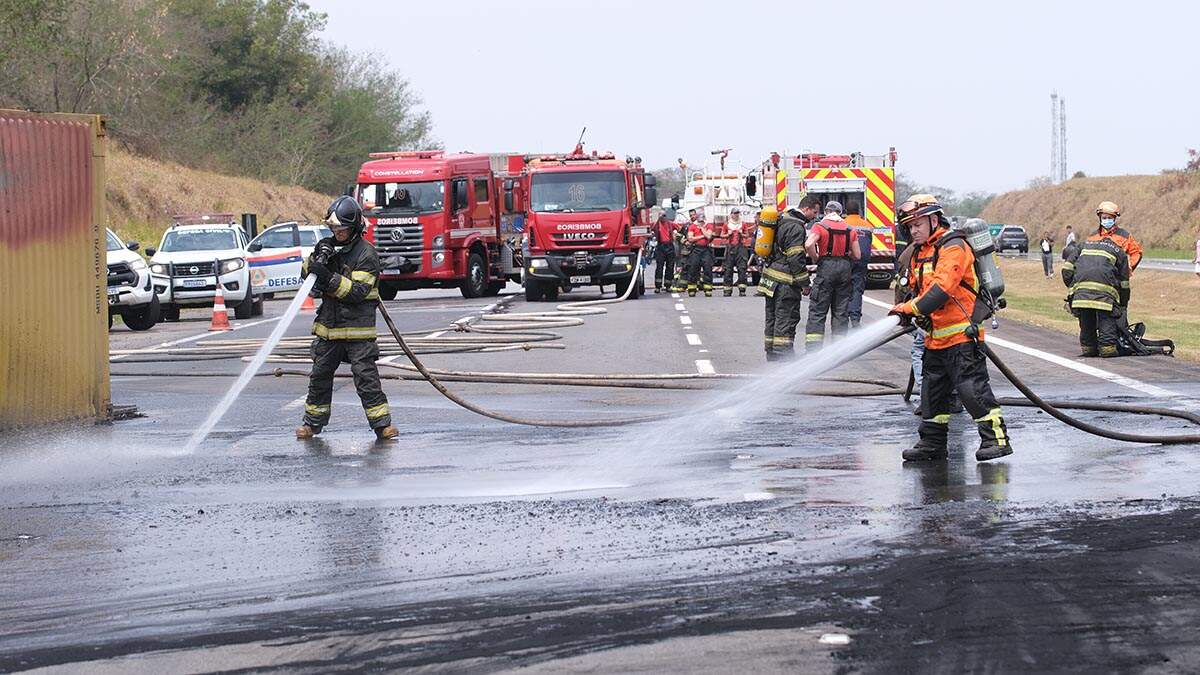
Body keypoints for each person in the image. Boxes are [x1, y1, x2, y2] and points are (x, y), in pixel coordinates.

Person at [889, 194, 1012, 462]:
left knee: (971, 389)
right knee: (932, 395)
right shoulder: (920, 252)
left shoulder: (953, 247)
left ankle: (996, 439)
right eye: (910, 226)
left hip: (960, 336)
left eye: (918, 224)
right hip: (934, 337)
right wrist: (908, 309)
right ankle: (932, 444)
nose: (914, 230)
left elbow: (943, 288)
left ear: (934, 220)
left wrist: (911, 309)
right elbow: (917, 288)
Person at [296, 196, 398, 441]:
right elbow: (307, 278)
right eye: (333, 229)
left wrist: (328, 276)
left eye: (341, 229)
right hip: (328, 329)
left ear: (354, 228)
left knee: (366, 378)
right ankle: (312, 424)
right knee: (319, 376)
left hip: (357, 331)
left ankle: (382, 426)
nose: (336, 233)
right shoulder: (329, 247)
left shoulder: (367, 254)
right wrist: (316, 259)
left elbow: (356, 292)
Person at [759, 195, 820, 360]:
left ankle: (771, 351)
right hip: (785, 282)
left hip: (770, 279)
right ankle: (783, 354)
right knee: (786, 316)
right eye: (814, 212)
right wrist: (804, 283)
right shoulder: (796, 227)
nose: (815, 216)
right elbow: (795, 258)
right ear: (806, 208)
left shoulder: (782, 219)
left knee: (772, 316)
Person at [1061, 228, 1130, 357]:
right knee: (1106, 320)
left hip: (1081, 296)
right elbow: (1124, 283)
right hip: (1105, 298)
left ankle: (1088, 348)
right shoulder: (1119, 252)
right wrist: (1123, 304)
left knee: (1086, 319)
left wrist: (1073, 288)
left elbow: (1066, 269)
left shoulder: (1083, 246)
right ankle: (1107, 348)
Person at [803, 201, 860, 349]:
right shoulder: (850, 229)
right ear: (841, 213)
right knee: (840, 312)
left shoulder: (820, 226)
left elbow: (809, 244)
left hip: (826, 268)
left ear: (826, 211)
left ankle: (814, 350)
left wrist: (816, 258)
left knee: (818, 310)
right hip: (845, 269)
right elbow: (858, 255)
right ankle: (838, 350)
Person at [1088, 201, 1142, 275]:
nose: (1107, 220)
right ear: (1100, 218)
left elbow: (1136, 252)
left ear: (1114, 218)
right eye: (1104, 218)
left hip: (1116, 278)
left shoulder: (1124, 236)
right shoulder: (1092, 237)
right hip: (1096, 276)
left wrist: (1128, 267)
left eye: (1109, 218)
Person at [843, 200, 872, 327]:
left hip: (847, 260)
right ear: (859, 211)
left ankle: (843, 316)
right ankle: (855, 319)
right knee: (857, 289)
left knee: (843, 289)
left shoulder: (843, 224)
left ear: (846, 211)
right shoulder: (867, 226)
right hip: (862, 261)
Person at [722, 208, 753, 296]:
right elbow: (722, 235)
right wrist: (728, 234)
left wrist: (741, 234)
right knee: (728, 269)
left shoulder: (742, 224)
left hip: (741, 248)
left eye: (737, 213)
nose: (736, 215)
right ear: (731, 214)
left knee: (742, 268)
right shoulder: (727, 224)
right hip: (730, 248)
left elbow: (747, 235)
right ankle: (727, 290)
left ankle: (742, 290)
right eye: (734, 213)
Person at [686, 210, 715, 297]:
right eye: (700, 221)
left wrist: (702, 230)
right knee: (693, 269)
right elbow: (690, 238)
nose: (701, 222)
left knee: (707, 269)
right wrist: (702, 236)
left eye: (702, 220)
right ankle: (692, 289)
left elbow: (709, 236)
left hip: (706, 249)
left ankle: (708, 289)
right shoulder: (692, 226)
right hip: (696, 249)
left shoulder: (708, 225)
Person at [652, 211, 676, 293]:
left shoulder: (670, 224)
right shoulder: (656, 224)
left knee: (670, 266)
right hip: (660, 246)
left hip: (669, 246)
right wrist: (658, 219)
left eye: (664, 216)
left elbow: (681, 228)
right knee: (659, 267)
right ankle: (658, 286)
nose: (663, 217)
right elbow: (652, 228)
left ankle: (668, 285)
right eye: (661, 216)